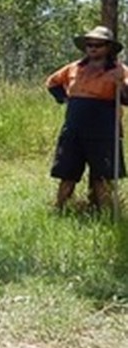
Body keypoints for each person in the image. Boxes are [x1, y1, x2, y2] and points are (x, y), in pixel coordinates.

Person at [45, 25, 128, 211]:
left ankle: (106, 214)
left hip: (104, 131)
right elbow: (52, 83)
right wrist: (66, 99)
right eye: (90, 44)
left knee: (103, 176)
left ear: (108, 48)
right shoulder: (74, 67)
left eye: (98, 45)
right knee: (67, 173)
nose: (93, 48)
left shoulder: (119, 70)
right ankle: (59, 209)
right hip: (74, 129)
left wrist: (121, 84)